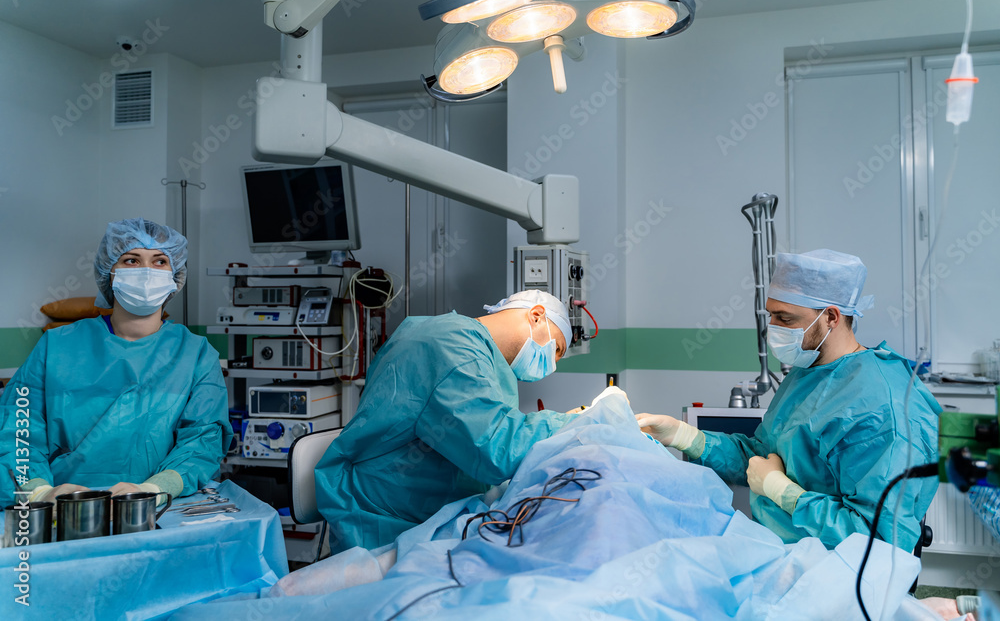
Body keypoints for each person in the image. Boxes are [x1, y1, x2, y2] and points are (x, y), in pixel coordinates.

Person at [637, 249, 941, 551]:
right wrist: (684, 436)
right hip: (782, 552)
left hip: (839, 577)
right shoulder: (808, 371)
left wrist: (785, 494)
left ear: (832, 317)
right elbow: (764, 458)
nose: (774, 328)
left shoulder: (882, 408)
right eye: (771, 315)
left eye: (785, 318)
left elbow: (882, 542)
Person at [314, 289, 578, 553]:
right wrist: (576, 421)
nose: (552, 364)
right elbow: (498, 449)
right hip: (383, 524)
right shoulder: (454, 348)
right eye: (556, 349)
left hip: (415, 506)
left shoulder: (463, 344)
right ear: (536, 316)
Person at [0, 218, 232, 506]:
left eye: (160, 262)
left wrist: (158, 488)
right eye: (132, 260)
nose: (146, 272)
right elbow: (18, 428)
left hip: (158, 508)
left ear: (176, 277)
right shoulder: (56, 346)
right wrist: (37, 492)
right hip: (62, 507)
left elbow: (202, 440)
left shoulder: (196, 354)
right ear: (109, 272)